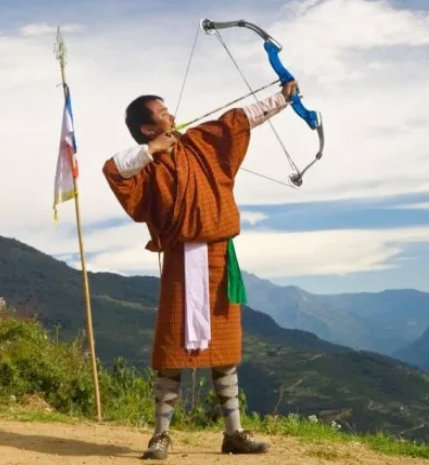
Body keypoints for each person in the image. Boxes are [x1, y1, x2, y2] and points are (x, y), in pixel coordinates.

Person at [103, 80, 297, 459]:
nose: (171, 115)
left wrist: (283, 98)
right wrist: (152, 151)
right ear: (147, 129)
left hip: (218, 256)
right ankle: (160, 436)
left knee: (225, 348)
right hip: (180, 260)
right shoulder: (146, 164)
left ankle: (234, 434)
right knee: (171, 349)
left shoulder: (199, 142)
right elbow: (113, 170)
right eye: (162, 114)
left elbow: (237, 121)